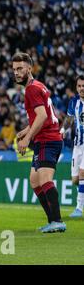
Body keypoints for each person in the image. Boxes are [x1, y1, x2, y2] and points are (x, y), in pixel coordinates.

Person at [13, 52, 66, 233]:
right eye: (14, 69)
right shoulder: (38, 86)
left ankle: (57, 221)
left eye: (20, 68)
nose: (17, 73)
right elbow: (45, 115)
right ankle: (52, 221)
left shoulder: (31, 89)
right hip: (46, 139)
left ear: (29, 68)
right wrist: (27, 130)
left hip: (47, 140)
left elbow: (43, 116)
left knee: (44, 180)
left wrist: (27, 139)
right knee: (35, 181)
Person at [60, 75, 84, 218]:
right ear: (76, 87)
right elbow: (69, 119)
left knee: (82, 174)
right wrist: (63, 130)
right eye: (79, 86)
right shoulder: (74, 101)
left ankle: (79, 208)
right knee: (75, 179)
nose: (82, 88)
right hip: (78, 145)